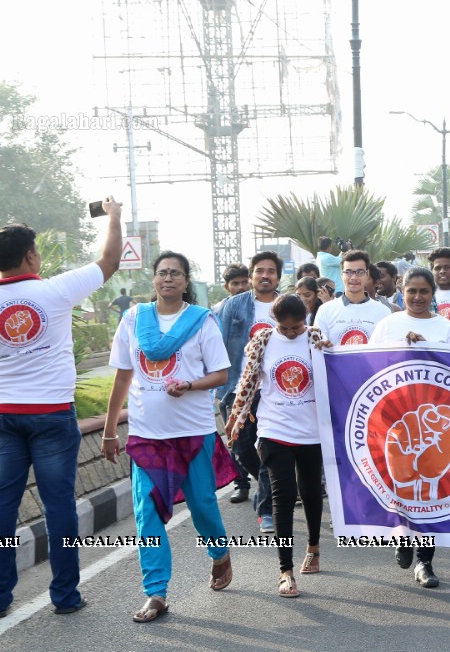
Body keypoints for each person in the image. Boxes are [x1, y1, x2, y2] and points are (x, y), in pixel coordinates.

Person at [0, 200, 122, 617]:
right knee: (59, 508)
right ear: (31, 256)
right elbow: (108, 260)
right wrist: (114, 216)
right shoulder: (55, 290)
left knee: (2, 508)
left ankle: (0, 597)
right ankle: (66, 596)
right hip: (52, 416)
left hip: (3, 417)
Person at [102, 251, 238, 622]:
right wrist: (111, 430)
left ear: (185, 281)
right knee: (146, 515)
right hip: (147, 435)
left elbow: (221, 375)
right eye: (162, 273)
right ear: (154, 279)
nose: (168, 279)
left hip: (192, 433)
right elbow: (123, 377)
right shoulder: (133, 320)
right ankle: (156, 593)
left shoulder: (201, 321)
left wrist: (191, 384)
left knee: (203, 507)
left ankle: (219, 552)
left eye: (176, 274)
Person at [226, 294, 329, 598]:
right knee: (282, 498)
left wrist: (328, 352)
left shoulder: (315, 337)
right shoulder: (263, 339)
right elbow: (247, 381)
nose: (293, 332)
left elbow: (331, 372)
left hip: (311, 431)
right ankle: (285, 570)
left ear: (306, 318)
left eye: (297, 326)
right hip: (274, 429)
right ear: (275, 323)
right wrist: (236, 416)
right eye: (286, 329)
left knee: (310, 493)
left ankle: (313, 546)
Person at [367, 267, 450, 588]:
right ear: (401, 291)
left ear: (433, 293)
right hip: (394, 421)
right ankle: (401, 537)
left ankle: (425, 563)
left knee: (430, 491)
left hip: (433, 424)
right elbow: (368, 366)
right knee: (399, 485)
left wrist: (427, 349)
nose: (418, 297)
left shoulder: (444, 326)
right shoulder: (387, 325)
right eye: (412, 291)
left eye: (424, 291)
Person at [216, 252, 282, 521]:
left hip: (276, 391)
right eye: (259, 270)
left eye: (270, 271)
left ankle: (265, 509)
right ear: (252, 274)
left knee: (269, 448)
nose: (264, 275)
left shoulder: (289, 304)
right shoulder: (233, 305)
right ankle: (269, 484)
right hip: (238, 388)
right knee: (241, 448)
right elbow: (218, 344)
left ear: (278, 276)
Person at [314, 250, 393, 346]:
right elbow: (317, 345)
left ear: (367, 275)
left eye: (360, 272)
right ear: (341, 275)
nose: (354, 277)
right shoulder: (325, 310)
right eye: (348, 272)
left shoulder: (383, 312)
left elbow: (388, 349)